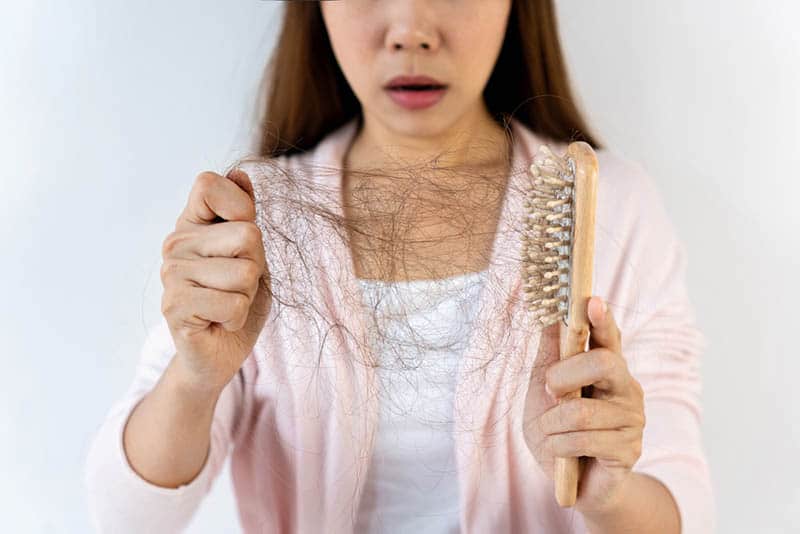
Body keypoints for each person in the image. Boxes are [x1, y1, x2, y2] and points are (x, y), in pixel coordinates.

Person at [83, 1, 715, 533]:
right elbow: (124, 514)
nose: (411, 28)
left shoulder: (614, 211)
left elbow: (683, 510)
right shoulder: (257, 220)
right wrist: (194, 377)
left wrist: (606, 494)